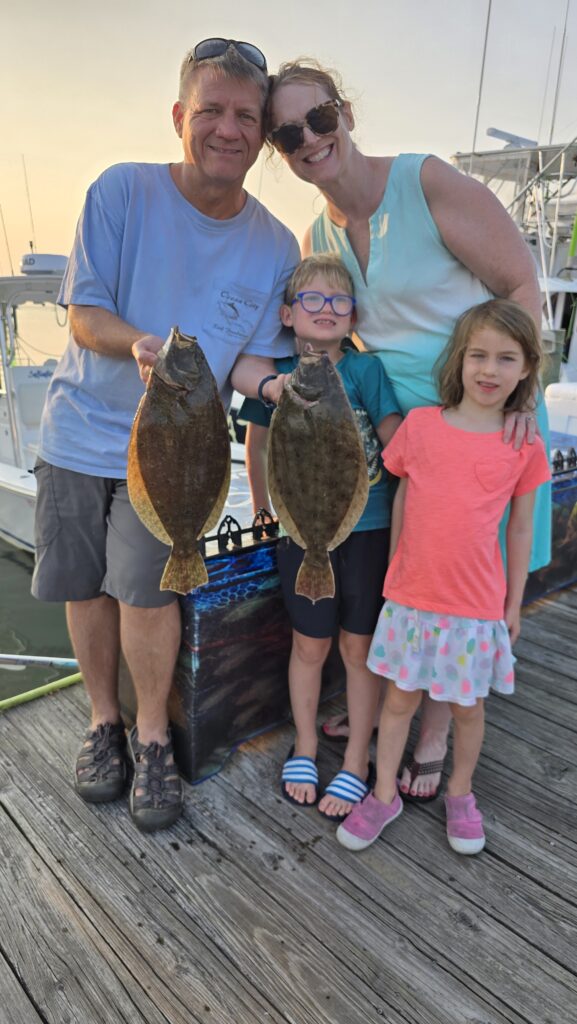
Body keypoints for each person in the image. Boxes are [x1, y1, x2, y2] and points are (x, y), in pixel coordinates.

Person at [31, 38, 299, 833]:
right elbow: (83, 314)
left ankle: (153, 737)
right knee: (84, 588)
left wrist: (285, 389)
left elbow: (248, 361)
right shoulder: (122, 191)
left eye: (244, 116)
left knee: (149, 593)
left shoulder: (276, 245)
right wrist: (140, 344)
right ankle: (102, 724)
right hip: (83, 433)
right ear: (180, 116)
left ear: (260, 135)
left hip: (180, 452)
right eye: (210, 110)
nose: (227, 128)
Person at [265, 58, 551, 801]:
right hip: (405, 431)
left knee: (462, 577)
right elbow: (337, 337)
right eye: (288, 132)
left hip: (481, 411)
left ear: (345, 112)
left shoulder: (424, 183)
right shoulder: (316, 230)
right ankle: (393, 699)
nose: (309, 139)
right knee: (417, 572)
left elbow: (521, 285)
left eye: (319, 117)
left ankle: (430, 731)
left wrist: (519, 399)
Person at [335, 299, 551, 853]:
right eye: (478, 355)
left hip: (476, 608)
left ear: (526, 367)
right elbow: (405, 497)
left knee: (468, 708)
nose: (489, 370)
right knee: (399, 702)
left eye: (506, 359)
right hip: (411, 599)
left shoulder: (522, 441)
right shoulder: (422, 426)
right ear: (459, 360)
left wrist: (512, 604)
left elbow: (521, 530)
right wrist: (395, 575)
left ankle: (460, 791)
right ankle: (383, 793)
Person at [241, 253, 401, 819]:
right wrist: (262, 508)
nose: (327, 310)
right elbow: (257, 447)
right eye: (313, 299)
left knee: (359, 649)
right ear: (289, 313)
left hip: (370, 528)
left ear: (354, 317)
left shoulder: (366, 372)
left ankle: (357, 758)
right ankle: (306, 743)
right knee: (309, 645)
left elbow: (395, 441)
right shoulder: (274, 376)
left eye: (340, 302)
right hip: (300, 531)